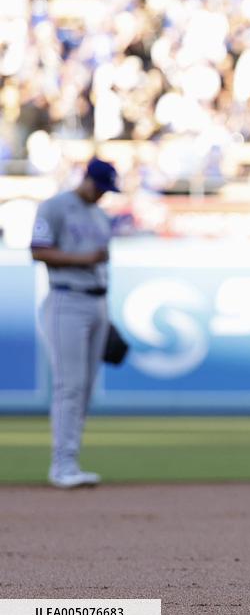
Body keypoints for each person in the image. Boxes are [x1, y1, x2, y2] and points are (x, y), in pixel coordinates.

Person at [30, 158, 118, 489]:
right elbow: (38, 250)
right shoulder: (54, 207)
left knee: (85, 388)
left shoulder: (100, 215)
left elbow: (102, 264)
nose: (102, 194)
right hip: (66, 298)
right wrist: (83, 259)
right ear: (87, 179)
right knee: (69, 385)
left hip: (97, 301)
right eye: (100, 187)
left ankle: (71, 461)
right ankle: (62, 466)